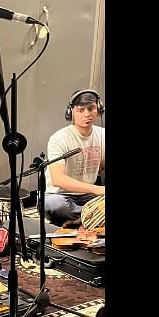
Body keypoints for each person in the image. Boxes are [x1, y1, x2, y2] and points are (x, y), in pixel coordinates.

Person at [42, 89, 106, 225]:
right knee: (56, 206)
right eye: (81, 110)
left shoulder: (103, 135)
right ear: (71, 112)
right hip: (59, 195)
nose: (87, 114)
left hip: (88, 197)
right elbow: (58, 179)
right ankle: (93, 217)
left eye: (91, 108)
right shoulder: (59, 138)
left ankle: (84, 218)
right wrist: (96, 189)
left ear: (98, 109)